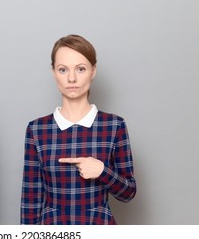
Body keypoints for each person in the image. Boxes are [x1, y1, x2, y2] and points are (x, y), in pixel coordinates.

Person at [20, 34, 136, 225]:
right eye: (63, 69)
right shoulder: (37, 129)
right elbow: (30, 199)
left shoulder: (114, 126)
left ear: (93, 71)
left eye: (80, 69)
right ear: (53, 72)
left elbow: (128, 193)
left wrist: (102, 171)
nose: (72, 78)